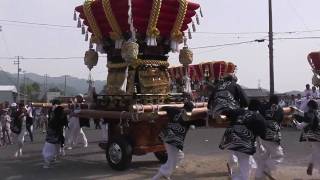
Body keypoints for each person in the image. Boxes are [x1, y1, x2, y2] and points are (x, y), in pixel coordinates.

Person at [219, 100, 267, 180]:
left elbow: (225, 112)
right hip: (243, 143)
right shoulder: (258, 117)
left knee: (250, 163)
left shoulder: (239, 111)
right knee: (245, 173)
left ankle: (234, 175)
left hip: (230, 139)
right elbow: (262, 134)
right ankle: (235, 178)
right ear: (258, 109)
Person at [152, 101, 195, 180]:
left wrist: (160, 109)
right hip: (173, 142)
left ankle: (167, 174)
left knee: (180, 156)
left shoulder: (175, 111)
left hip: (169, 139)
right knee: (172, 161)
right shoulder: (188, 117)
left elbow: (166, 107)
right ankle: (156, 178)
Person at [255, 95, 285, 179]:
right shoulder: (279, 109)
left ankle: (259, 176)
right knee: (278, 156)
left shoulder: (262, 107)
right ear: (277, 101)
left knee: (263, 157)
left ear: (269, 100)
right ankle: (266, 167)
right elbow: (280, 121)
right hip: (273, 135)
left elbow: (258, 117)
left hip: (262, 133)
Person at [294, 100, 320, 176]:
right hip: (316, 135)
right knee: (317, 151)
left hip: (315, 135)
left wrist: (295, 122)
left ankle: (311, 164)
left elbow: (306, 122)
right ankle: (311, 164)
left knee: (317, 151)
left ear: (310, 106)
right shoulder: (317, 112)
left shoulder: (311, 112)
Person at [42, 102, 68, 168]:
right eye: (62, 112)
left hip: (58, 136)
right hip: (52, 136)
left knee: (56, 149)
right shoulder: (55, 118)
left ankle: (52, 160)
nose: (63, 113)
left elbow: (64, 123)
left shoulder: (61, 117)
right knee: (49, 150)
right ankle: (47, 163)